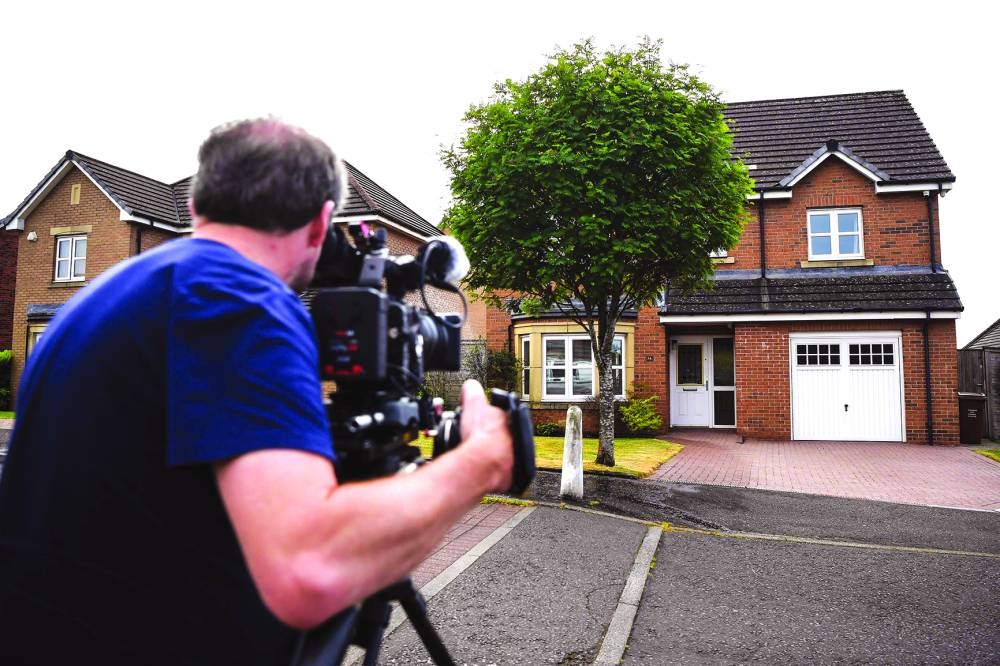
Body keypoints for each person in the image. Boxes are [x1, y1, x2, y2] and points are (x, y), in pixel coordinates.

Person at [0, 118, 514, 665]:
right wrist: (482, 461)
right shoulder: (241, 299)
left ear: (196, 207)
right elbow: (308, 570)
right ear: (321, 222)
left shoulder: (96, 299)